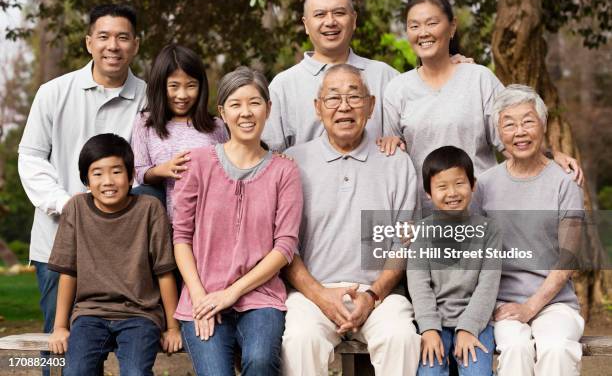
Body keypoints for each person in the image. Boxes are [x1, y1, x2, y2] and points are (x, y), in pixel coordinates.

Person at [17, 4, 146, 363]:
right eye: (103, 36)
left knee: (131, 346)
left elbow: (151, 168)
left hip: (126, 252)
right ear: (89, 42)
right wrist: (66, 204)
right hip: (59, 243)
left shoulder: (151, 100)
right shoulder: (53, 93)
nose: (113, 45)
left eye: (122, 37)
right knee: (59, 344)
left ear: (136, 44)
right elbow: (30, 157)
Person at [380, 0, 583, 214]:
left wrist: (551, 158)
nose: (423, 33)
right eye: (414, 26)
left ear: (452, 27)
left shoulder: (479, 78)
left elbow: (511, 137)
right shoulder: (397, 89)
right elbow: (393, 161)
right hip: (427, 219)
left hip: (483, 212)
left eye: (432, 23)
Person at [282, 64, 421, 376]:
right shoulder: (293, 162)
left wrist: (371, 296)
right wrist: (320, 295)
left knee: (401, 338)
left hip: (379, 294)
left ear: (370, 106)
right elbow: (285, 246)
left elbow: (403, 245)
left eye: (354, 97)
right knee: (299, 341)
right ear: (318, 108)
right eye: (333, 98)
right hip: (312, 293)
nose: (344, 107)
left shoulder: (396, 163)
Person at [172, 67, 303, 376]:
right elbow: (181, 238)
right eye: (236, 104)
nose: (246, 112)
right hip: (202, 292)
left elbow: (284, 247)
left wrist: (232, 293)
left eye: (255, 103)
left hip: (260, 296)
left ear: (268, 109)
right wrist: (200, 297)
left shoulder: (285, 172)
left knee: (260, 361)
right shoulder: (197, 163)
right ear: (223, 112)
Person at [46, 134, 182, 375]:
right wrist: (60, 326)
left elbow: (164, 272)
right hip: (89, 314)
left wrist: (172, 327)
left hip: (141, 315)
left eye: (116, 172)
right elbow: (68, 271)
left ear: (131, 176)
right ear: (86, 180)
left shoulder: (149, 209)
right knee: (75, 371)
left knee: (135, 372)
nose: (108, 181)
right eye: (97, 173)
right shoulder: (76, 209)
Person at [474, 85, 584, 376]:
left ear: (543, 125)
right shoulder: (484, 185)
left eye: (528, 121)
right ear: (499, 133)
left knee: (557, 349)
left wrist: (531, 307)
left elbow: (567, 260)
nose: (519, 132)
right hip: (503, 303)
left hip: (556, 303)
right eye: (509, 124)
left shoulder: (565, 182)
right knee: (515, 350)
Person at [407, 146, 500, 376]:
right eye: (441, 186)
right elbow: (419, 285)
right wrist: (428, 329)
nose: (452, 193)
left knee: (476, 372)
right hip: (434, 321)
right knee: (430, 371)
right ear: (428, 192)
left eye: (459, 183)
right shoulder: (421, 233)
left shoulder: (489, 231)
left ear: (473, 184)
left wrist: (468, 328)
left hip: (476, 321)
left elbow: (487, 286)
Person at [131, 44, 227, 219]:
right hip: (162, 220)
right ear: (160, 85)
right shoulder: (145, 122)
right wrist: (163, 169)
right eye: (174, 86)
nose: (182, 95)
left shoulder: (215, 126)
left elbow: (230, 168)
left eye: (191, 85)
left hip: (207, 219)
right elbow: (139, 172)